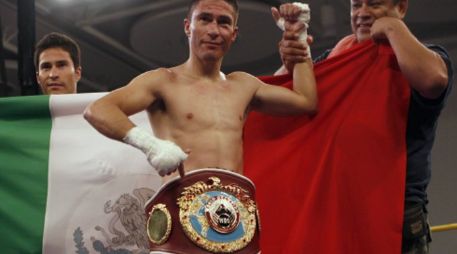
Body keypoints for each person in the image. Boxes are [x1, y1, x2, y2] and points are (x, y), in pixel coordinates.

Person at [84, 1, 316, 253]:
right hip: (179, 232)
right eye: (205, 19)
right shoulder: (163, 81)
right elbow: (98, 109)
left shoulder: (244, 86)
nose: (214, 30)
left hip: (236, 225)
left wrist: (298, 37)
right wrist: (150, 145)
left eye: (224, 22)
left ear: (234, 34)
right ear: (188, 26)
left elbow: (306, 101)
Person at [278, 1, 453, 253]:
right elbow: (284, 105)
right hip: (337, 211)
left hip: (395, 215)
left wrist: (393, 27)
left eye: (374, 4)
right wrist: (292, 60)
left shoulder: (428, 57)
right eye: (356, 5)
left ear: (401, 7)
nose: (362, 13)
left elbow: (433, 79)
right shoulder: (334, 60)